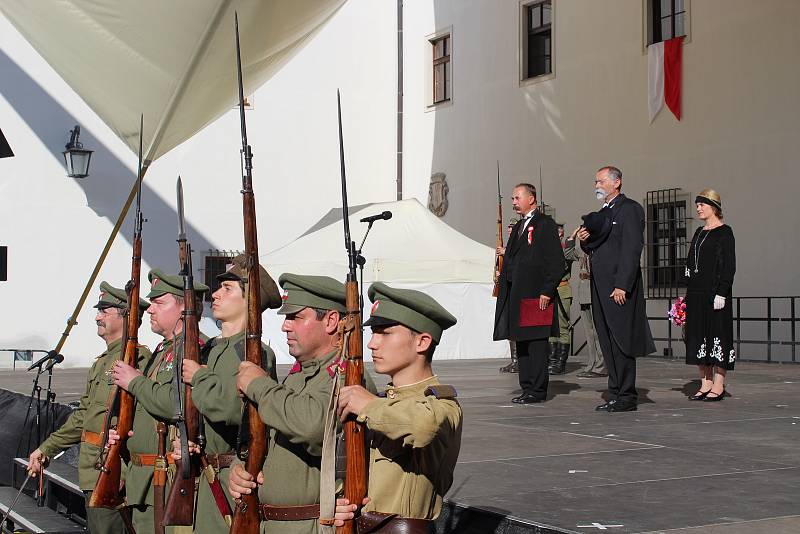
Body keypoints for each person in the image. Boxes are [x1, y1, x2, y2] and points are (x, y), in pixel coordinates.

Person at [227, 274, 351, 534]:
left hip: (310, 526)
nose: (285, 326)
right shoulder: (298, 376)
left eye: (295, 317)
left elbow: (313, 426)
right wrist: (241, 470)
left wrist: (258, 385)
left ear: (330, 321)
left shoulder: (344, 376)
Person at [333, 282, 462, 532]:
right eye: (373, 333)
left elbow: (422, 427)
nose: (372, 344)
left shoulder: (442, 404)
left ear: (422, 342)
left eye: (385, 333)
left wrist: (369, 405)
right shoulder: (383, 403)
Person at [28, 282, 150, 534]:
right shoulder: (103, 362)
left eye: (105, 310)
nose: (97, 316)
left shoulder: (138, 360)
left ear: (126, 316)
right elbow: (84, 415)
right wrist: (47, 448)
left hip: (114, 471)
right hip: (94, 470)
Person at [110, 269, 208, 532]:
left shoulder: (192, 348)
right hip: (143, 477)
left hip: (166, 478)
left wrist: (135, 381)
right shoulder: (164, 349)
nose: (150, 310)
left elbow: (174, 404)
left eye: (159, 302)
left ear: (184, 307)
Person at [577, 166, 655, 412]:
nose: (596, 186)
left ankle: (626, 395)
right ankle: (615, 391)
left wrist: (623, 284)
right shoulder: (604, 211)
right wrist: (584, 240)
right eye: (595, 181)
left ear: (616, 182)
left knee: (621, 340)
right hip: (599, 286)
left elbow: (632, 249)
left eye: (600, 181)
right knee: (607, 339)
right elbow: (598, 248)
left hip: (617, 287)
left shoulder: (629, 209)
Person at [494, 183, 565, 404]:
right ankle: (526, 386)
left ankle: (537, 389)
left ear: (531, 198)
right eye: (512, 198)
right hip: (517, 293)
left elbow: (555, 261)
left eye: (517, 198)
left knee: (536, 344)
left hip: (536, 294)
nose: (513, 202)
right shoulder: (518, 227)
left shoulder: (545, 224)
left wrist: (547, 290)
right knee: (522, 342)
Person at [684, 189, 736, 401]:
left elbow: (729, 265)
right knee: (697, 336)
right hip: (696, 293)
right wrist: (686, 288)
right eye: (697, 205)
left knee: (718, 336)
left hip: (715, 294)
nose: (698, 208)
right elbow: (690, 261)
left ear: (713, 207)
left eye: (701, 205)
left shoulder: (725, 232)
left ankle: (718, 384)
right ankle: (705, 382)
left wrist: (722, 291)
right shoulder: (699, 232)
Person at [565, 228, 607, 378]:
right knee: (589, 334)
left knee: (597, 333)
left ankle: (601, 366)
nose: (582, 235)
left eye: (584, 233)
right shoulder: (582, 251)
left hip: (596, 294)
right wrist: (572, 236)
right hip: (584, 295)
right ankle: (592, 364)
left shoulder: (600, 248)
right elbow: (567, 254)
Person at [548, 221, 574, 375]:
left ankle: (560, 363)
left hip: (562, 289)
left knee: (563, 326)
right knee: (551, 326)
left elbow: (565, 260)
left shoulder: (565, 248)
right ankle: (551, 361)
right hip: (550, 290)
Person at [499, 217, 520, 373]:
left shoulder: (518, 244)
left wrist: (506, 252)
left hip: (517, 290)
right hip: (507, 288)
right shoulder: (509, 245)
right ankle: (514, 360)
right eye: (509, 227)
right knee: (508, 325)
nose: (509, 229)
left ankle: (519, 360)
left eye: (512, 227)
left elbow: (520, 260)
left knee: (516, 326)